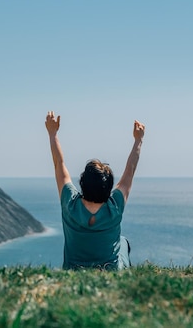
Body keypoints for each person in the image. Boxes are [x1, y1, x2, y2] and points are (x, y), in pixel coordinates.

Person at [45, 111, 145, 270]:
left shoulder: (70, 203)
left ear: (83, 182)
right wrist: (138, 140)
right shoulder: (115, 206)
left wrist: (52, 134)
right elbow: (130, 170)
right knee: (123, 241)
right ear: (109, 187)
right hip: (110, 271)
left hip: (73, 270)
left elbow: (59, 163)